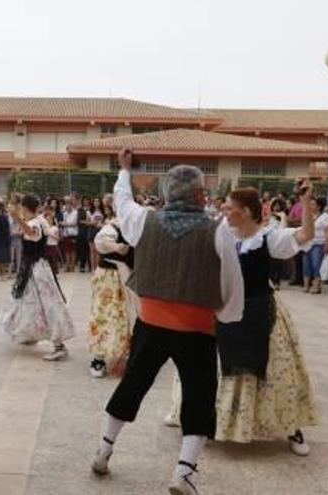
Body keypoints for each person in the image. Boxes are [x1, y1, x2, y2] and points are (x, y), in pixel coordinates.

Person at [91, 150, 244, 495]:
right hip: (196, 329)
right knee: (199, 397)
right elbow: (232, 286)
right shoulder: (218, 232)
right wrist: (225, 317)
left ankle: (104, 449)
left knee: (133, 385)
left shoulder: (145, 220)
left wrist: (125, 170)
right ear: (201, 195)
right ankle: (183, 473)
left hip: (151, 322)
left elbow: (122, 201)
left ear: (167, 193)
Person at [205, 186, 318, 456]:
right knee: (218, 365)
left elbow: (305, 235)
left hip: (260, 309)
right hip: (226, 310)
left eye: (229, 207)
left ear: (245, 212)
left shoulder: (269, 238)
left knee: (277, 368)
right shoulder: (222, 234)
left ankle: (292, 428)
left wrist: (305, 202)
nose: (224, 211)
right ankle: (211, 421)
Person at [0, 194, 76, 361]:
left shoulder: (35, 222)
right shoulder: (40, 219)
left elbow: (32, 233)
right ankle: (29, 334)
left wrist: (17, 219)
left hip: (36, 270)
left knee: (46, 304)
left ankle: (59, 345)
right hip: (35, 267)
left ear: (25, 208)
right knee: (29, 303)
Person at [87, 204, 136, 379]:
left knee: (128, 316)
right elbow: (101, 242)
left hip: (127, 277)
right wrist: (116, 247)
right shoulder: (112, 227)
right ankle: (98, 358)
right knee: (104, 313)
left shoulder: (136, 227)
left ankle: (127, 354)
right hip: (109, 277)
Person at [301, 198, 328, 294]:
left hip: (318, 243)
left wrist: (327, 244)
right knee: (306, 265)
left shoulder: (325, 216)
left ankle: (316, 286)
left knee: (316, 265)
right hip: (307, 243)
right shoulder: (307, 215)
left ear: (319, 206)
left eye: (313, 204)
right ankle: (306, 285)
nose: (310, 206)